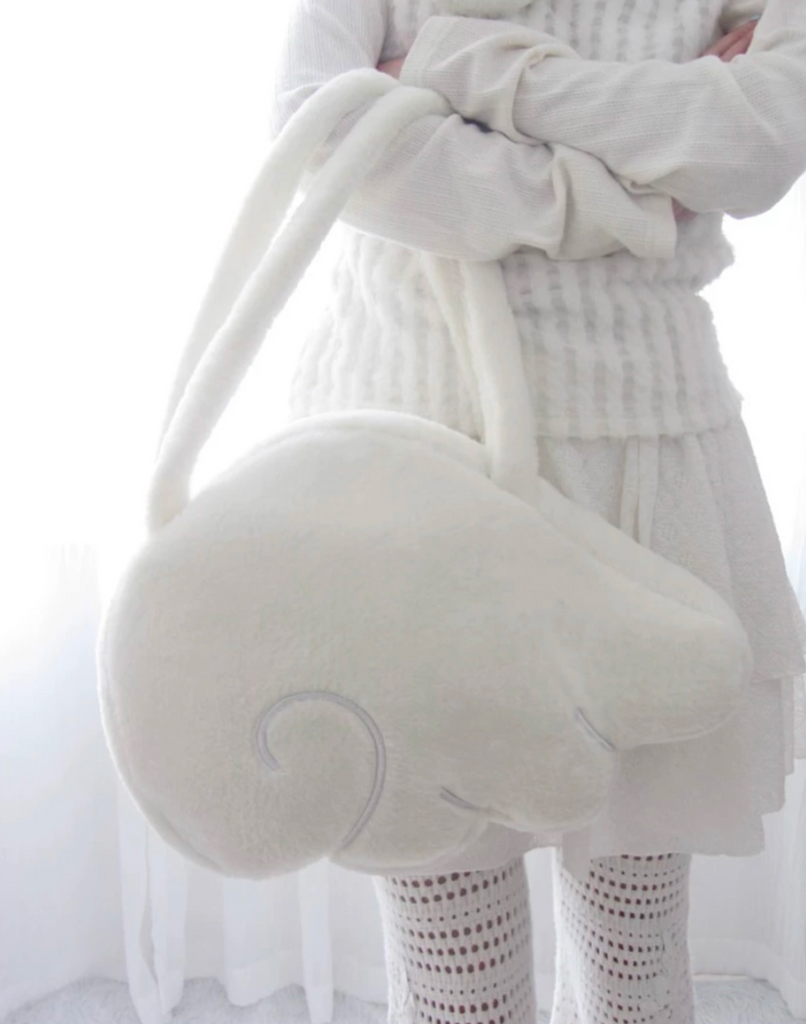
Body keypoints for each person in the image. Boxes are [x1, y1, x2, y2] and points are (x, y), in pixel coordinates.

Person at [269, 0, 806, 1020]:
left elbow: (759, 141)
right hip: (414, 461)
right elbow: (325, 138)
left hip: (652, 462)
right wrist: (619, 193)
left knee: (634, 963)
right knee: (454, 974)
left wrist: (459, 64)